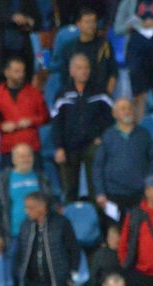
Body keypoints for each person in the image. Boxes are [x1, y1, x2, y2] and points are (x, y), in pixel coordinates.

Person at [51, 53, 114, 204]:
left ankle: (97, 217)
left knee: (96, 189)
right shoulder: (62, 94)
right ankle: (71, 216)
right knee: (69, 191)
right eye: (79, 68)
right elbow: (57, 123)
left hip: (93, 145)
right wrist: (59, 147)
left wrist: (102, 138)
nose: (83, 71)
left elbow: (111, 118)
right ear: (71, 71)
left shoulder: (100, 92)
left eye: (86, 68)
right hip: (69, 147)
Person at [14, 191, 79, 286]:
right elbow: (19, 253)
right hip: (32, 285)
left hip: (58, 283)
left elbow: (74, 249)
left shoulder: (61, 223)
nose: (26, 211)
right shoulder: (25, 225)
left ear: (42, 207)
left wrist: (71, 276)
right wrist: (21, 276)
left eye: (30, 208)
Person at [93, 98, 153, 221]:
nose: (127, 111)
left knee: (140, 228)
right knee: (114, 230)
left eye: (129, 108)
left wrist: (151, 185)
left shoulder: (144, 135)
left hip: (140, 193)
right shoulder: (108, 136)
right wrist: (100, 192)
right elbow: (98, 166)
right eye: (123, 109)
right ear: (114, 114)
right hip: (113, 194)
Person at [0, 143, 52, 255]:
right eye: (22, 156)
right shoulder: (3, 180)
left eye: (29, 156)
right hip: (12, 237)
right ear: (13, 159)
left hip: (39, 236)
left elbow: (50, 205)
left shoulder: (42, 179)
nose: (26, 159)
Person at [0, 57, 49, 169]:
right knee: (7, 179)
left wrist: (31, 121)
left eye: (22, 71)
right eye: (16, 71)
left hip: (31, 147)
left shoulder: (35, 93)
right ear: (7, 73)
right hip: (8, 148)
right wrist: (2, 126)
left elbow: (45, 117)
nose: (21, 75)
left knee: (37, 179)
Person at [54, 7, 117, 96]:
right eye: (87, 22)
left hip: (99, 95)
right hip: (75, 95)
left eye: (93, 22)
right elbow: (64, 76)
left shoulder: (104, 45)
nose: (91, 25)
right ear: (78, 24)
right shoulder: (69, 48)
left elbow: (113, 73)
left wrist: (107, 95)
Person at [0, 1, 39, 91]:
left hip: (22, 53)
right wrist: (11, 18)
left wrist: (29, 21)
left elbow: (37, 19)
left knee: (24, 92)